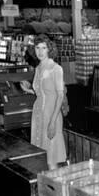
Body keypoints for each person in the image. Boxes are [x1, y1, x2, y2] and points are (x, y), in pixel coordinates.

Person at [23, 34, 67, 169]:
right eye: (37, 48)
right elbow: (40, 93)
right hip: (38, 115)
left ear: (49, 49)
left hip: (51, 115)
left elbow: (60, 96)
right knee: (41, 155)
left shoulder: (56, 68)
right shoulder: (38, 68)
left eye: (44, 48)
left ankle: (56, 187)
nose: (40, 51)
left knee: (52, 157)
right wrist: (28, 89)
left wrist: (53, 122)